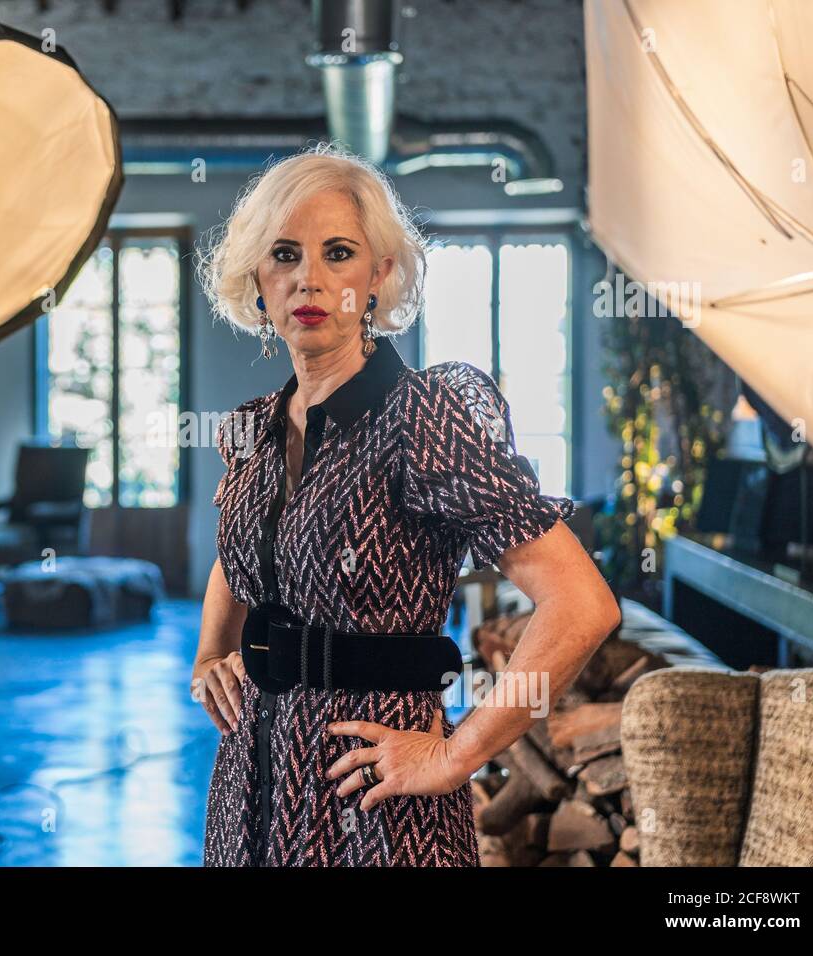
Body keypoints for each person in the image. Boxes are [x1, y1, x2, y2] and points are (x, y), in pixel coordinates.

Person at [192, 142, 621, 866]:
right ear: (257, 280)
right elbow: (242, 558)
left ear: (380, 274)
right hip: (249, 787)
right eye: (285, 254)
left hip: (376, 797)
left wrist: (455, 756)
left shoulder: (425, 419)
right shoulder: (251, 429)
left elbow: (583, 604)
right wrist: (210, 653)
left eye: (338, 253)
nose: (310, 279)